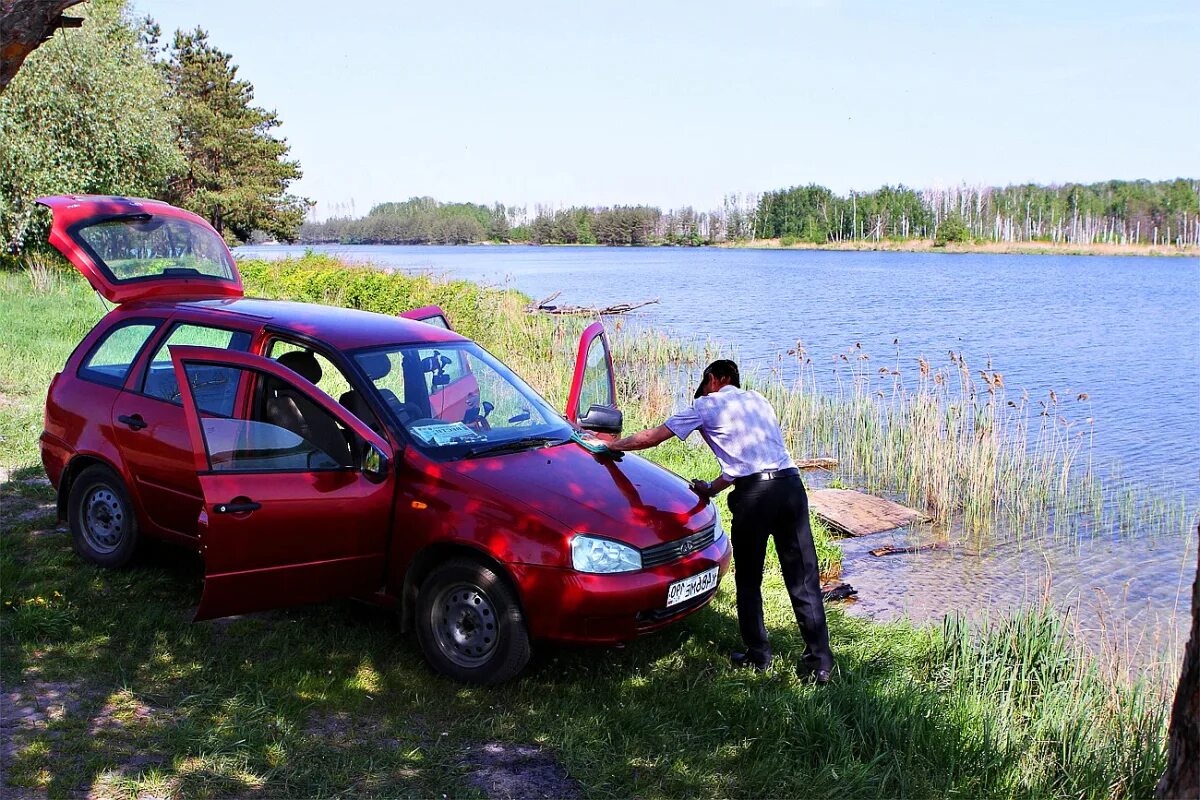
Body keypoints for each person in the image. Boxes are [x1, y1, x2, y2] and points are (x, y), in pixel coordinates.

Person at [607, 359, 834, 682]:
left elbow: (652, 438)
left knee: (750, 579)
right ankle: (820, 663)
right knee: (803, 577)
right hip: (790, 487)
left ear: (714, 379)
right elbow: (747, 459)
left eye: (707, 381)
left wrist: (612, 446)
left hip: (755, 497)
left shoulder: (705, 405)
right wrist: (711, 488)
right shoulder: (758, 400)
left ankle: (759, 655)